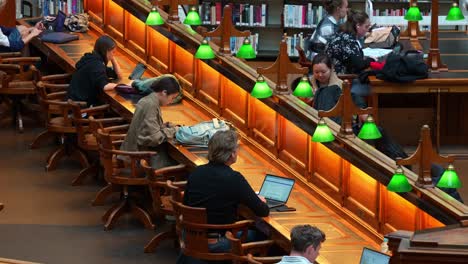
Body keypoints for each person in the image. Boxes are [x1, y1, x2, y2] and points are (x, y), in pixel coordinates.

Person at [181, 130, 269, 256]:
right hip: (216, 242)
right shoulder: (234, 178)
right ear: (232, 154)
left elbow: (186, 204)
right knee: (262, 234)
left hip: (191, 236)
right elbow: (263, 211)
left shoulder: (197, 172)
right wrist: (260, 201)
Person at [120, 74, 181, 169]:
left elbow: (147, 127)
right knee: (180, 163)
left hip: (135, 151)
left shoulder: (148, 100)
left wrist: (165, 126)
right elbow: (154, 138)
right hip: (140, 157)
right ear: (164, 92)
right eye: (172, 98)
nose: (172, 101)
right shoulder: (151, 106)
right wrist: (174, 130)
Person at [67, 35, 122, 106]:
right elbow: (105, 86)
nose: (113, 55)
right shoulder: (97, 66)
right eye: (113, 52)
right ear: (106, 51)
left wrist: (112, 58)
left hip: (72, 99)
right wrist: (122, 86)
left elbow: (118, 75)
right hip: (81, 107)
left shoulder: (91, 58)